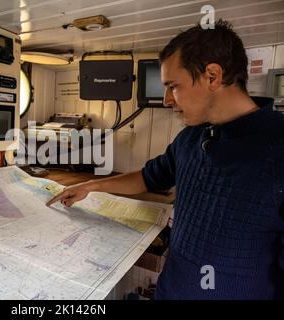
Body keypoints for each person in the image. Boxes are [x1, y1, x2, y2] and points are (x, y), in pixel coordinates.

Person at [47, 19, 284, 299]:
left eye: (173, 86)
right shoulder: (190, 139)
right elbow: (148, 178)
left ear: (212, 76)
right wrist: (91, 186)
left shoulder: (277, 148)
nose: (168, 100)